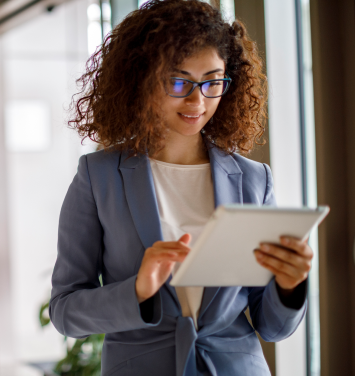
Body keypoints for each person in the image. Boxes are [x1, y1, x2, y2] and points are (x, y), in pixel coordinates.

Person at [49, 1, 312, 375]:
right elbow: (64, 313)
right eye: (178, 81)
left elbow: (271, 327)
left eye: (213, 81)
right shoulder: (99, 177)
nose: (197, 100)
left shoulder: (254, 180)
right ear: (142, 79)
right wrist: (137, 291)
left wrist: (289, 286)